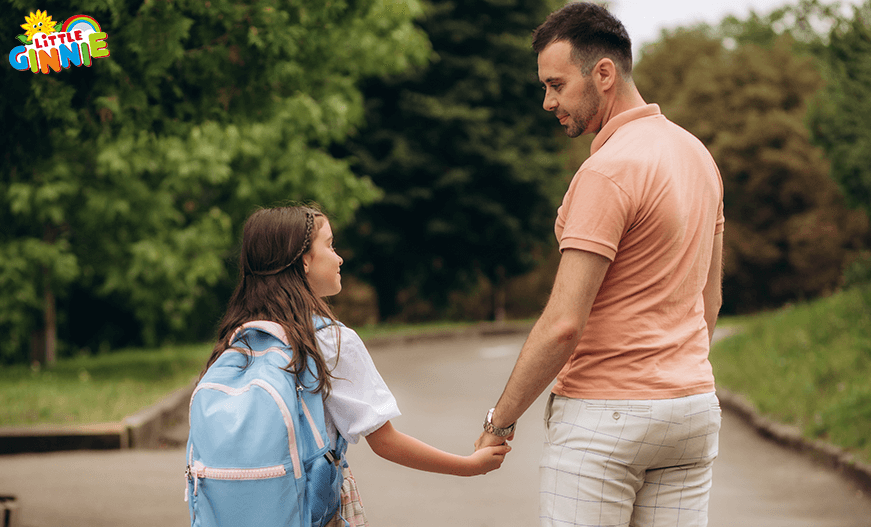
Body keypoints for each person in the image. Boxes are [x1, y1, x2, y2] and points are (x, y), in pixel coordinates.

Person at [474, 3, 725, 526]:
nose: (548, 102)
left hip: (606, 417)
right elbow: (710, 300)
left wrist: (499, 422)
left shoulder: (607, 171)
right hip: (691, 409)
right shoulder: (698, 156)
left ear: (603, 74)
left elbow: (564, 322)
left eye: (556, 85)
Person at [203, 205, 511, 526]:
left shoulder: (238, 338)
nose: (339, 258)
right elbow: (385, 441)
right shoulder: (331, 341)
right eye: (330, 245)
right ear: (304, 260)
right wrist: (469, 465)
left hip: (241, 510)